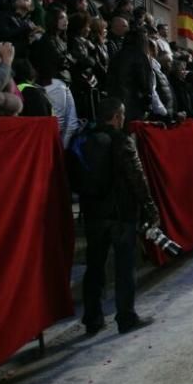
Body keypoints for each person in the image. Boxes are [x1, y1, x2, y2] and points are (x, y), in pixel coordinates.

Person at [80, 96, 160, 336]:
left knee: (94, 266)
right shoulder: (121, 140)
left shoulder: (83, 140)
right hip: (120, 213)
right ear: (116, 116)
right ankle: (126, 316)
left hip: (93, 213)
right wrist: (149, 207)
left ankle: (92, 319)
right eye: (122, 115)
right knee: (124, 267)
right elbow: (137, 177)